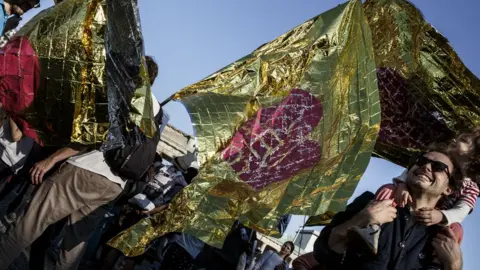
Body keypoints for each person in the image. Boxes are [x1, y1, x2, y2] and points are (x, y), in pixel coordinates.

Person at [0, 81, 162, 270]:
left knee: (29, 223)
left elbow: (91, 135)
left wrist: (52, 159)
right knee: (73, 247)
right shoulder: (154, 111)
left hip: (86, 170)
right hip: (114, 185)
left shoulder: (123, 90)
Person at [313, 148, 464, 270]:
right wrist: (360, 220)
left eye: (438, 167)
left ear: (449, 189)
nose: (426, 167)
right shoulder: (371, 202)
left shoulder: (442, 237)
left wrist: (454, 266)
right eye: (422, 161)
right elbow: (322, 252)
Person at [350, 129, 480, 255]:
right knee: (389, 189)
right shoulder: (433, 160)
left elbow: (462, 210)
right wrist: (401, 186)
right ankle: (372, 228)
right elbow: (409, 173)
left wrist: (442, 216)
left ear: (475, 155)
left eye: (463, 140)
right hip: (412, 204)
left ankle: (437, 262)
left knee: (457, 230)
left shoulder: (471, 187)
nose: (427, 167)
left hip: (437, 218)